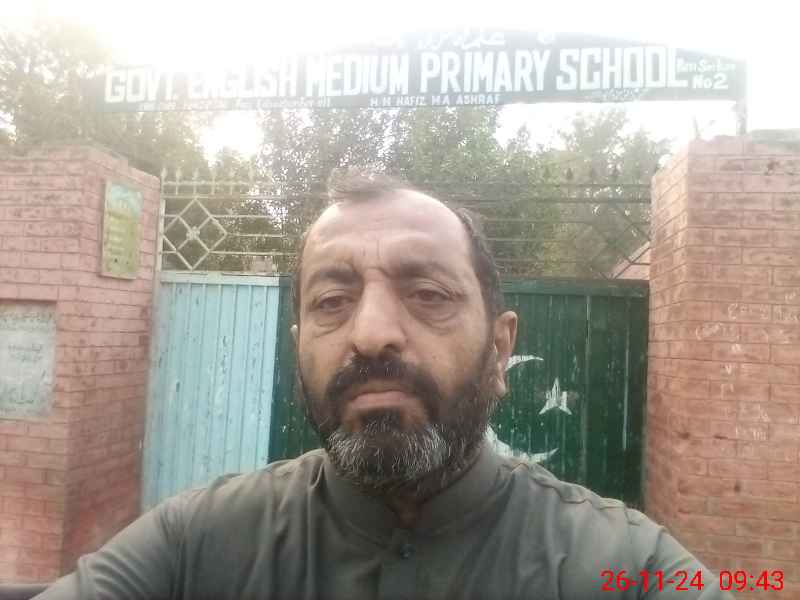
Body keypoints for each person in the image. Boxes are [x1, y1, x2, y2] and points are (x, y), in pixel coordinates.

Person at [36, 171, 733, 600]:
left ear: (500, 350)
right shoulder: (194, 544)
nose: (370, 333)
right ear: (298, 347)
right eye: (332, 301)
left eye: (427, 293)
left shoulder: (628, 567)